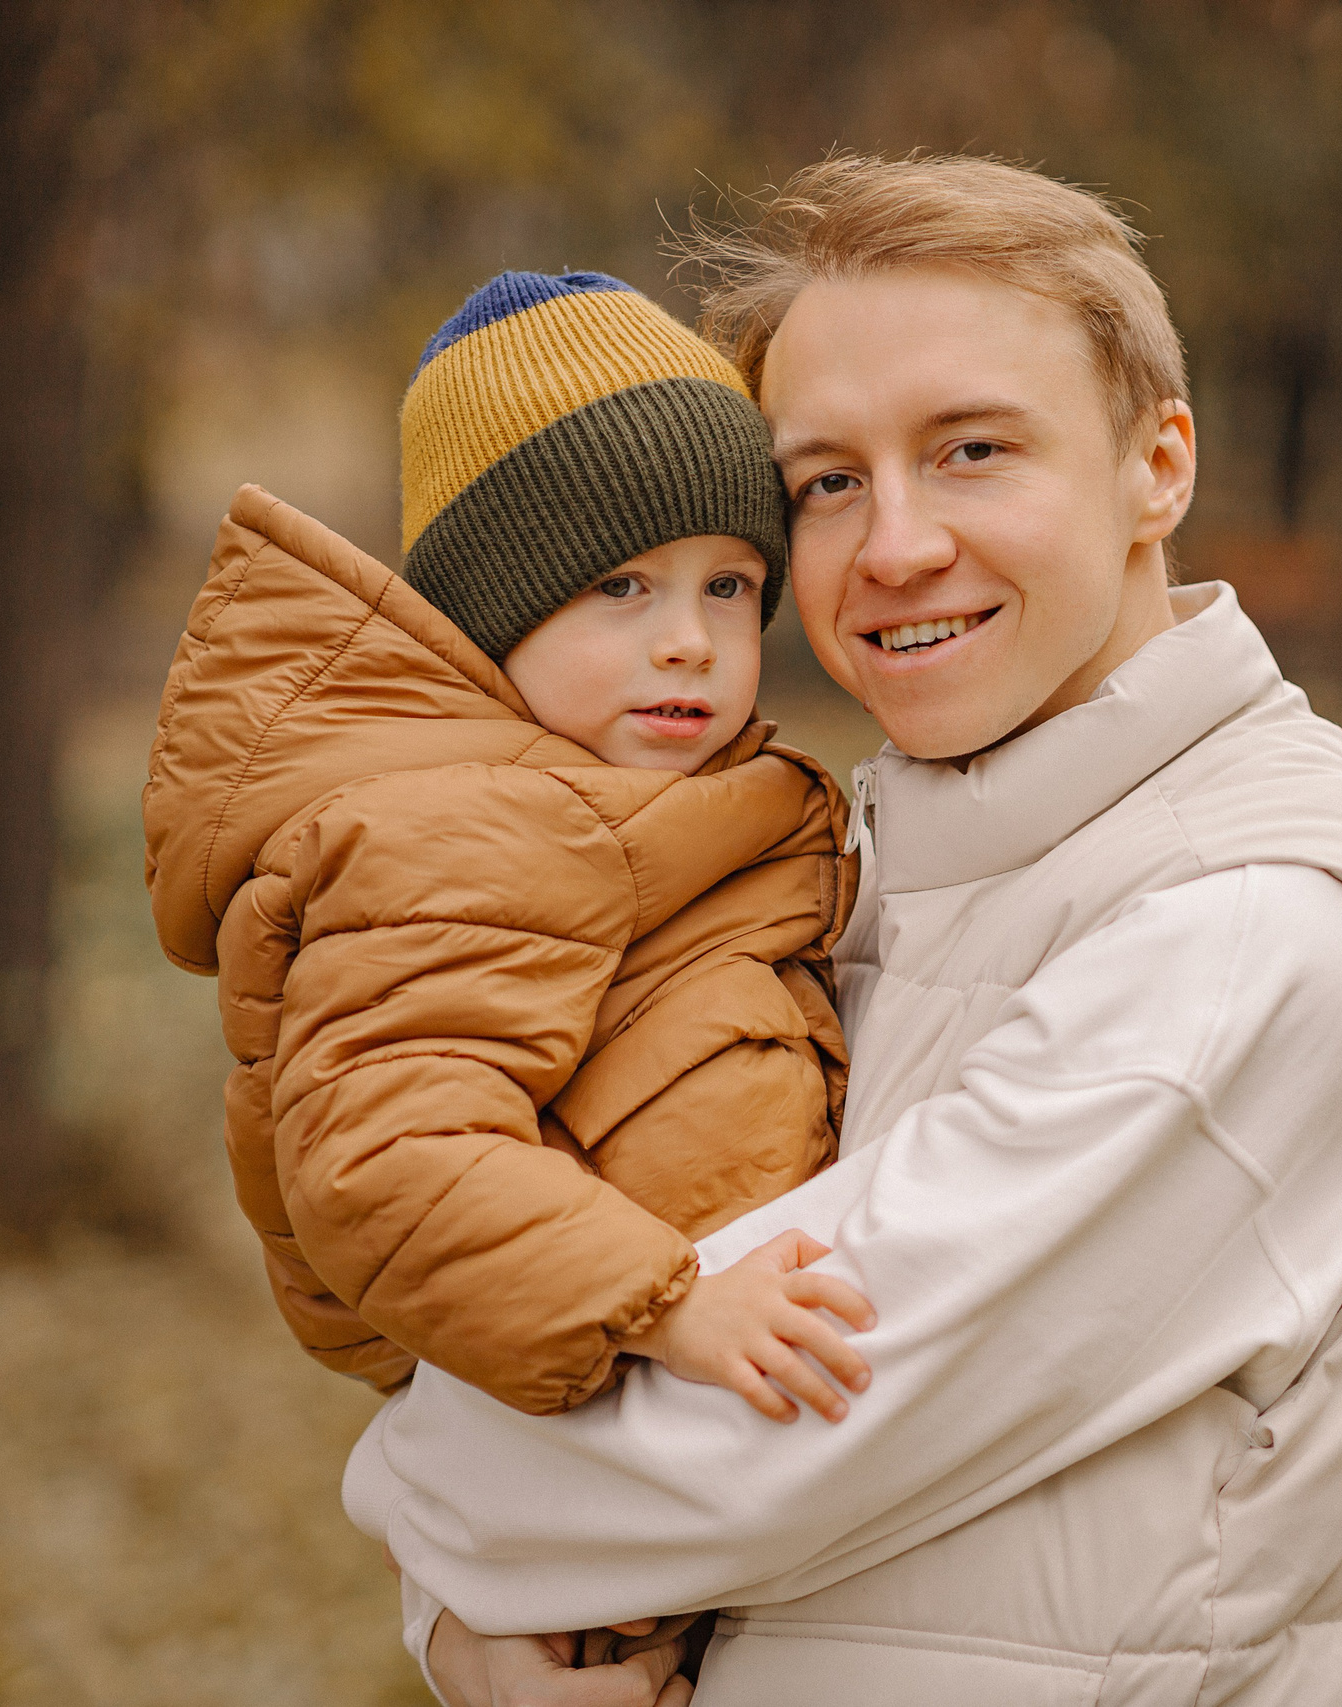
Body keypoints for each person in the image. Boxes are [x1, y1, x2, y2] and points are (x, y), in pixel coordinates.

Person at [343, 154, 1342, 1707]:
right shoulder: (839, 866)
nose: (894, 547)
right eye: (826, 481)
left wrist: (413, 1508)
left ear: (1158, 465)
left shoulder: (1255, 928)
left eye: (971, 451)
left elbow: (757, 1447)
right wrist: (475, 1635)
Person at [143, 270, 877, 1439]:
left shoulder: (686, 816)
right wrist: (668, 1310)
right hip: (632, 1392)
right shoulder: (449, 837)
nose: (687, 642)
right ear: (495, 616)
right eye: (620, 588)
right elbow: (386, 1155)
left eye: (728, 586)